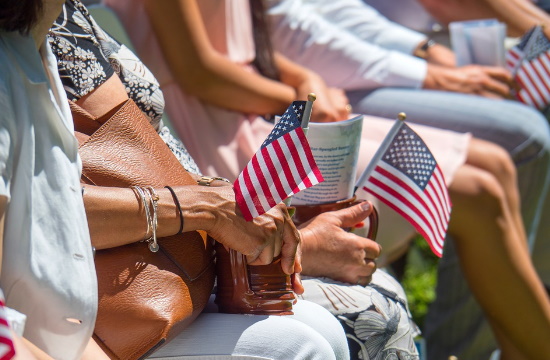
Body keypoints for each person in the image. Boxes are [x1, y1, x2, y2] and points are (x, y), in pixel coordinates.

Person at [103, 0, 550, 359]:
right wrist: (292, 96)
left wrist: (298, 76)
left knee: (492, 170)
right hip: (226, 133)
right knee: (476, 191)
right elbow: (198, 70)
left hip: (261, 108)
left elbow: (254, 38)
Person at [0, 0, 352, 358]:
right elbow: (46, 207)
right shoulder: (15, 55)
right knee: (303, 344)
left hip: (180, 263)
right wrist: (209, 209)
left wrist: (228, 204)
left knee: (326, 331)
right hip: (105, 302)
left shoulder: (34, 42)